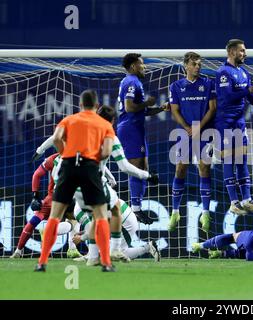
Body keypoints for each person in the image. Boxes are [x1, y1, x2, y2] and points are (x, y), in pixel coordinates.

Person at [35, 90, 115, 272]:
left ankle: (42, 262)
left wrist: (65, 152)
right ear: (96, 106)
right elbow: (108, 151)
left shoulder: (69, 120)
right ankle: (106, 263)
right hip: (89, 168)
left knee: (55, 215)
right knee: (100, 215)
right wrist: (95, 159)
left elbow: (56, 138)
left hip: (68, 167)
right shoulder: (104, 124)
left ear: (80, 105)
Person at [168, 52, 216, 232]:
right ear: (186, 66)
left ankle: (205, 212)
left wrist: (198, 127)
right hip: (184, 132)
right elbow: (175, 110)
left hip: (204, 132)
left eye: (199, 64)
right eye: (194, 64)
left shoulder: (208, 84)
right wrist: (187, 127)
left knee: (204, 167)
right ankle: (175, 212)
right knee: (181, 167)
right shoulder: (176, 86)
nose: (198, 67)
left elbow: (212, 109)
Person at [117, 53, 166, 222]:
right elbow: (130, 107)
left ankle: (137, 207)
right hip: (130, 129)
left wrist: (159, 108)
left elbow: (141, 110)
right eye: (141, 64)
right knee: (137, 168)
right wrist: (148, 103)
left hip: (135, 128)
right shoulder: (131, 81)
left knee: (143, 167)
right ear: (132, 66)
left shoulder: (133, 82)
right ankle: (135, 209)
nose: (144, 67)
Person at [215, 39, 253, 215]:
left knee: (242, 160)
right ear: (232, 52)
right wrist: (248, 91)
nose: (245, 54)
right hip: (225, 122)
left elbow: (250, 98)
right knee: (229, 160)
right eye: (242, 51)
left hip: (239, 122)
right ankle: (234, 202)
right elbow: (228, 97)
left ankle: (246, 199)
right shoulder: (223, 72)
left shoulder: (243, 73)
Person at [10, 153, 81, 259]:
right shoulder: (78, 157)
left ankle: (18, 251)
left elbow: (37, 174)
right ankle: (71, 248)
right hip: (68, 198)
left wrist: (35, 196)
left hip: (51, 198)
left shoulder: (52, 158)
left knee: (33, 221)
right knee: (75, 220)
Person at [69, 198, 161, 265]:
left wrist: (80, 238)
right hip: (124, 215)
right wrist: (83, 234)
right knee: (112, 248)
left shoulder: (77, 211)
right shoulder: (81, 201)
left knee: (118, 253)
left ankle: (148, 247)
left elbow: (93, 230)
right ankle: (149, 247)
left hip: (124, 222)